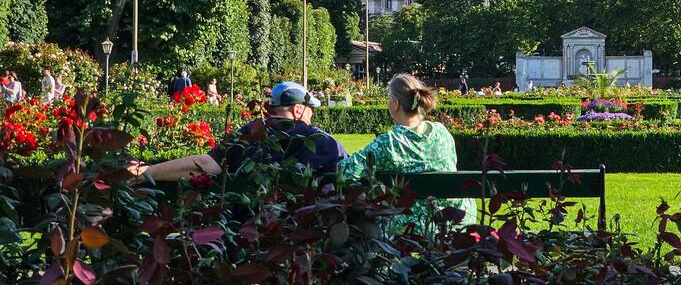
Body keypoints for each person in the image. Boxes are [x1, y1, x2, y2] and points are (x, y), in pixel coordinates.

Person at [129, 81, 347, 181]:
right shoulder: (323, 142)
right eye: (310, 110)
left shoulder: (249, 132)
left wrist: (148, 171)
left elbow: (206, 164)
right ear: (298, 109)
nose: (311, 115)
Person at [339, 73, 475, 232]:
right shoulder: (442, 132)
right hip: (453, 218)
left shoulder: (389, 143)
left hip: (410, 225)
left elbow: (345, 171)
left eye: (388, 98)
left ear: (395, 104)